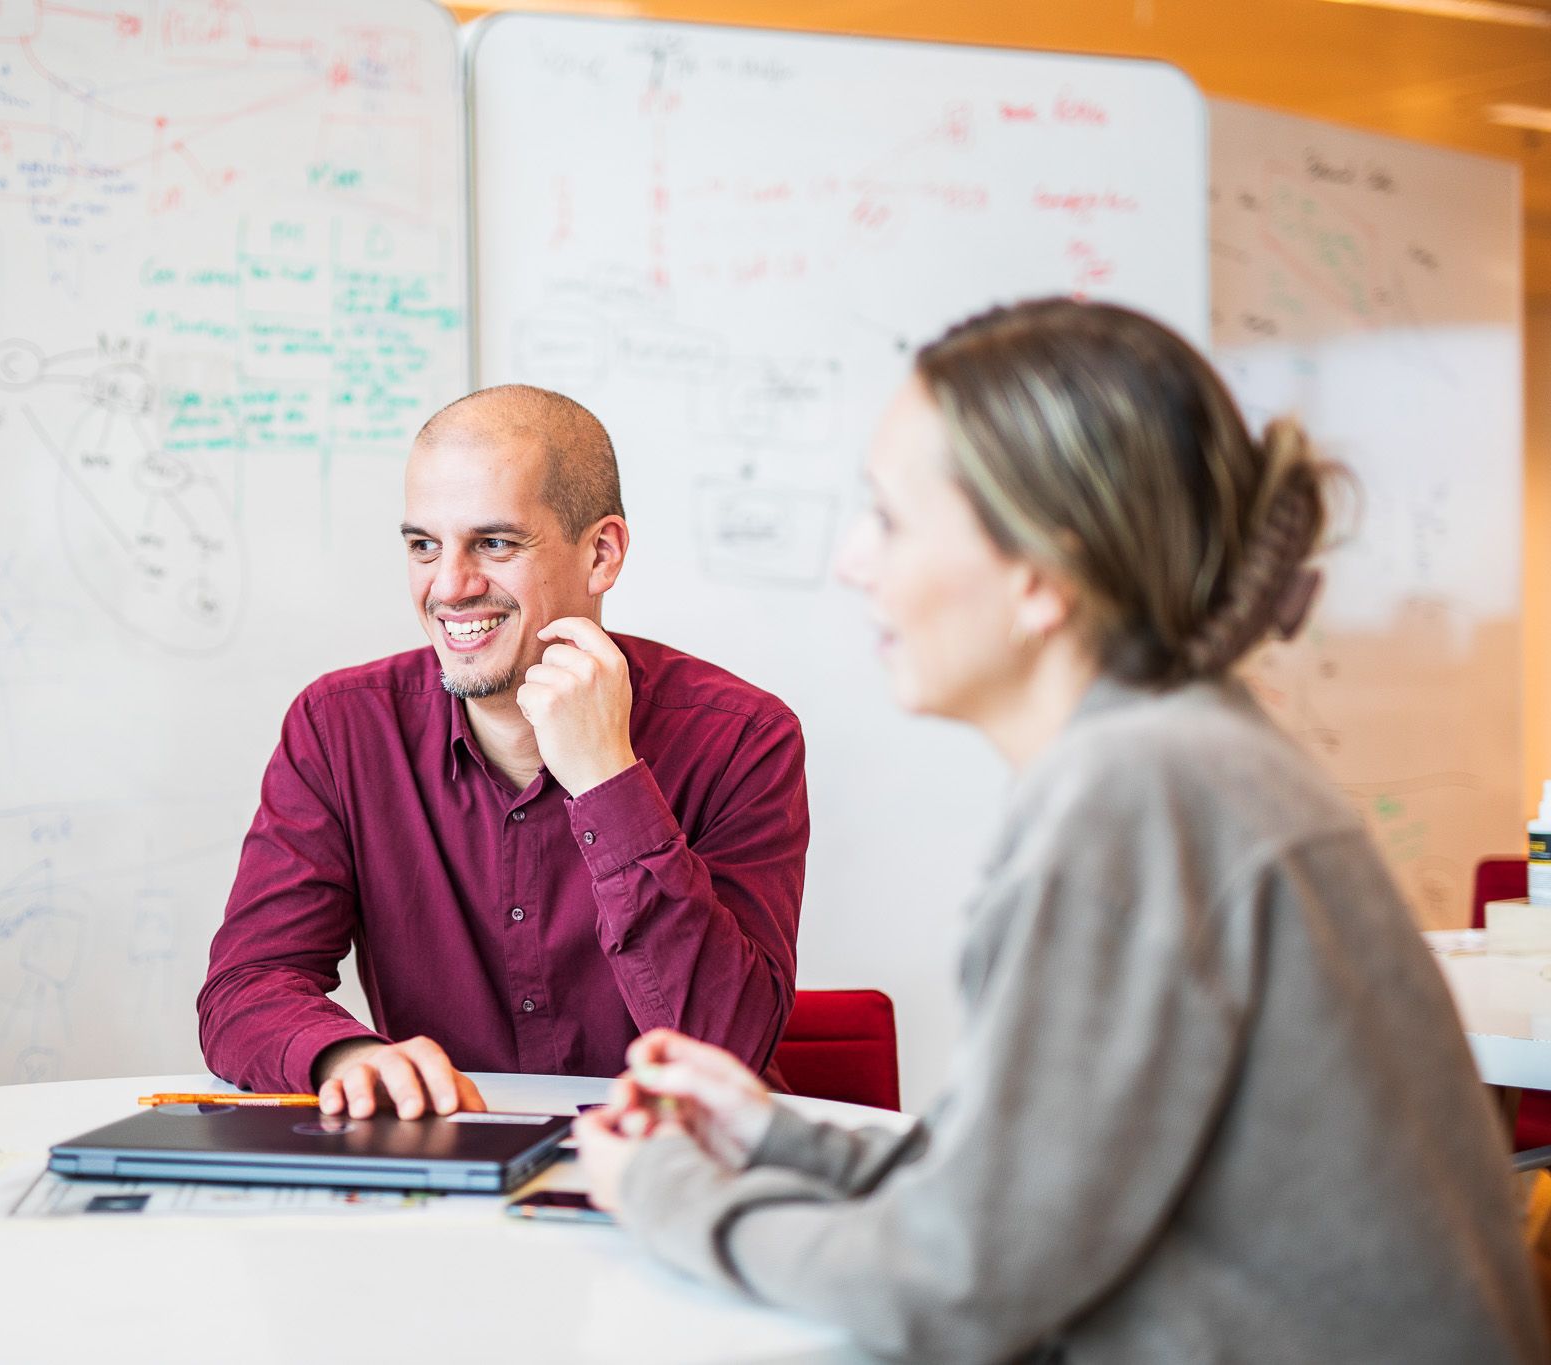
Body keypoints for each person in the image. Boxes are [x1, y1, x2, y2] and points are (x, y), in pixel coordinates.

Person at [575, 299, 1547, 1362]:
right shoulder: (1184, 758)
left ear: (1040, 575)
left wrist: (662, 1193)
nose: (854, 560)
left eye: (889, 519)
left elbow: (954, 1284)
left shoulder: (1132, 795)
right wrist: (771, 1136)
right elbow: (1026, 1200)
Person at [198, 385, 808, 1121]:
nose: (449, 587)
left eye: (494, 543)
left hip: (670, 1174)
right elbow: (247, 986)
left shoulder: (741, 737)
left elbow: (725, 1053)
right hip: (444, 1171)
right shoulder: (339, 728)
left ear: (601, 553)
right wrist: (348, 1056)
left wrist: (607, 779)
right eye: (425, 545)